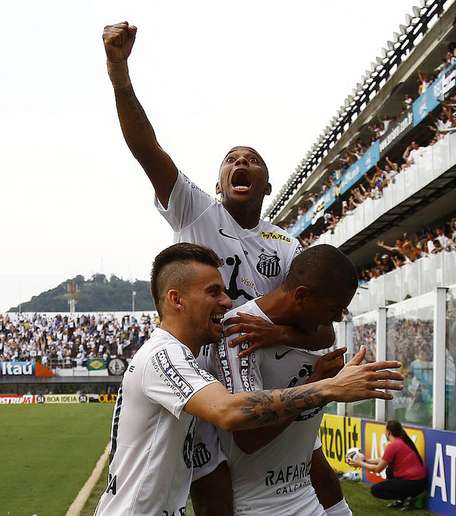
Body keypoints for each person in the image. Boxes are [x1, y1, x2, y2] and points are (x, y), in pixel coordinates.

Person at [102, 21, 343, 515]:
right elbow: (146, 148)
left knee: (309, 462)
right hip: (195, 372)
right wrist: (119, 72)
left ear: (267, 184)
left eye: (252, 159)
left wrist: (278, 336)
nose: (241, 162)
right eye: (231, 159)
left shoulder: (287, 244)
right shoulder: (195, 212)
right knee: (207, 483)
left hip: (252, 379)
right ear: (217, 183)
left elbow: (314, 321)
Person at [94, 243, 404, 515]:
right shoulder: (161, 357)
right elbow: (230, 412)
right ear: (177, 299)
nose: (228, 302)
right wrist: (327, 387)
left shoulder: (187, 359)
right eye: (213, 292)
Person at [201, 244, 362, 515]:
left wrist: (281, 336)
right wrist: (320, 385)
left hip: (306, 495)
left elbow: (327, 334)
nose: (337, 318)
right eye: (334, 308)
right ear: (301, 296)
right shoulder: (240, 332)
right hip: (261, 506)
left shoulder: (310, 328)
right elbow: (248, 437)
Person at [347, 421, 426, 510]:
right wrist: (366, 461)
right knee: (389, 471)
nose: (384, 433)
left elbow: (378, 469)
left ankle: (408, 498)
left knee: (376, 490)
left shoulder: (393, 445)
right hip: (419, 483)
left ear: (388, 432)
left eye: (385, 430)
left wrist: (360, 463)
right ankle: (403, 499)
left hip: (414, 484)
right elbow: (383, 460)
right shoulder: (401, 441)